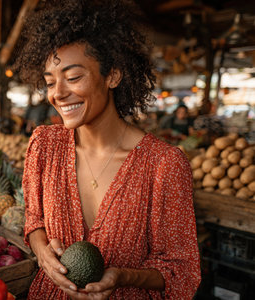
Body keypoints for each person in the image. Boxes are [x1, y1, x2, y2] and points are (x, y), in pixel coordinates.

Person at [14, 0, 201, 299]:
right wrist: (43, 253)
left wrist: (123, 276)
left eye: (74, 78)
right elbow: (34, 219)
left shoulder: (164, 164)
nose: (58, 94)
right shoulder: (44, 146)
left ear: (112, 75)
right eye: (50, 83)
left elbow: (180, 270)